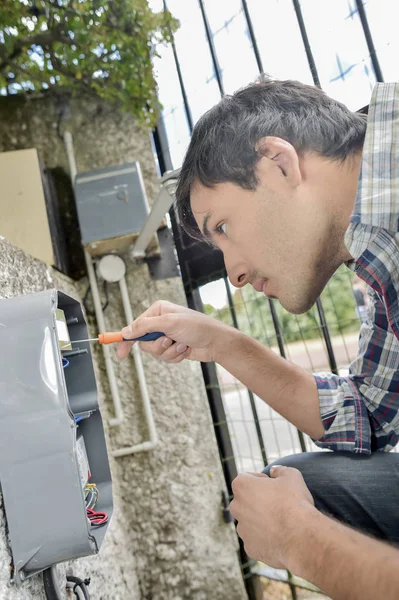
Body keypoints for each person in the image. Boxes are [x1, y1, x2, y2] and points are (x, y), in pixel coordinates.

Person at [117, 79, 399, 597]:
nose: (234, 275)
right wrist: (219, 342)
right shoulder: (378, 248)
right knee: (302, 486)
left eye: (221, 226)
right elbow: (371, 415)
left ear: (278, 163)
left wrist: (301, 539)